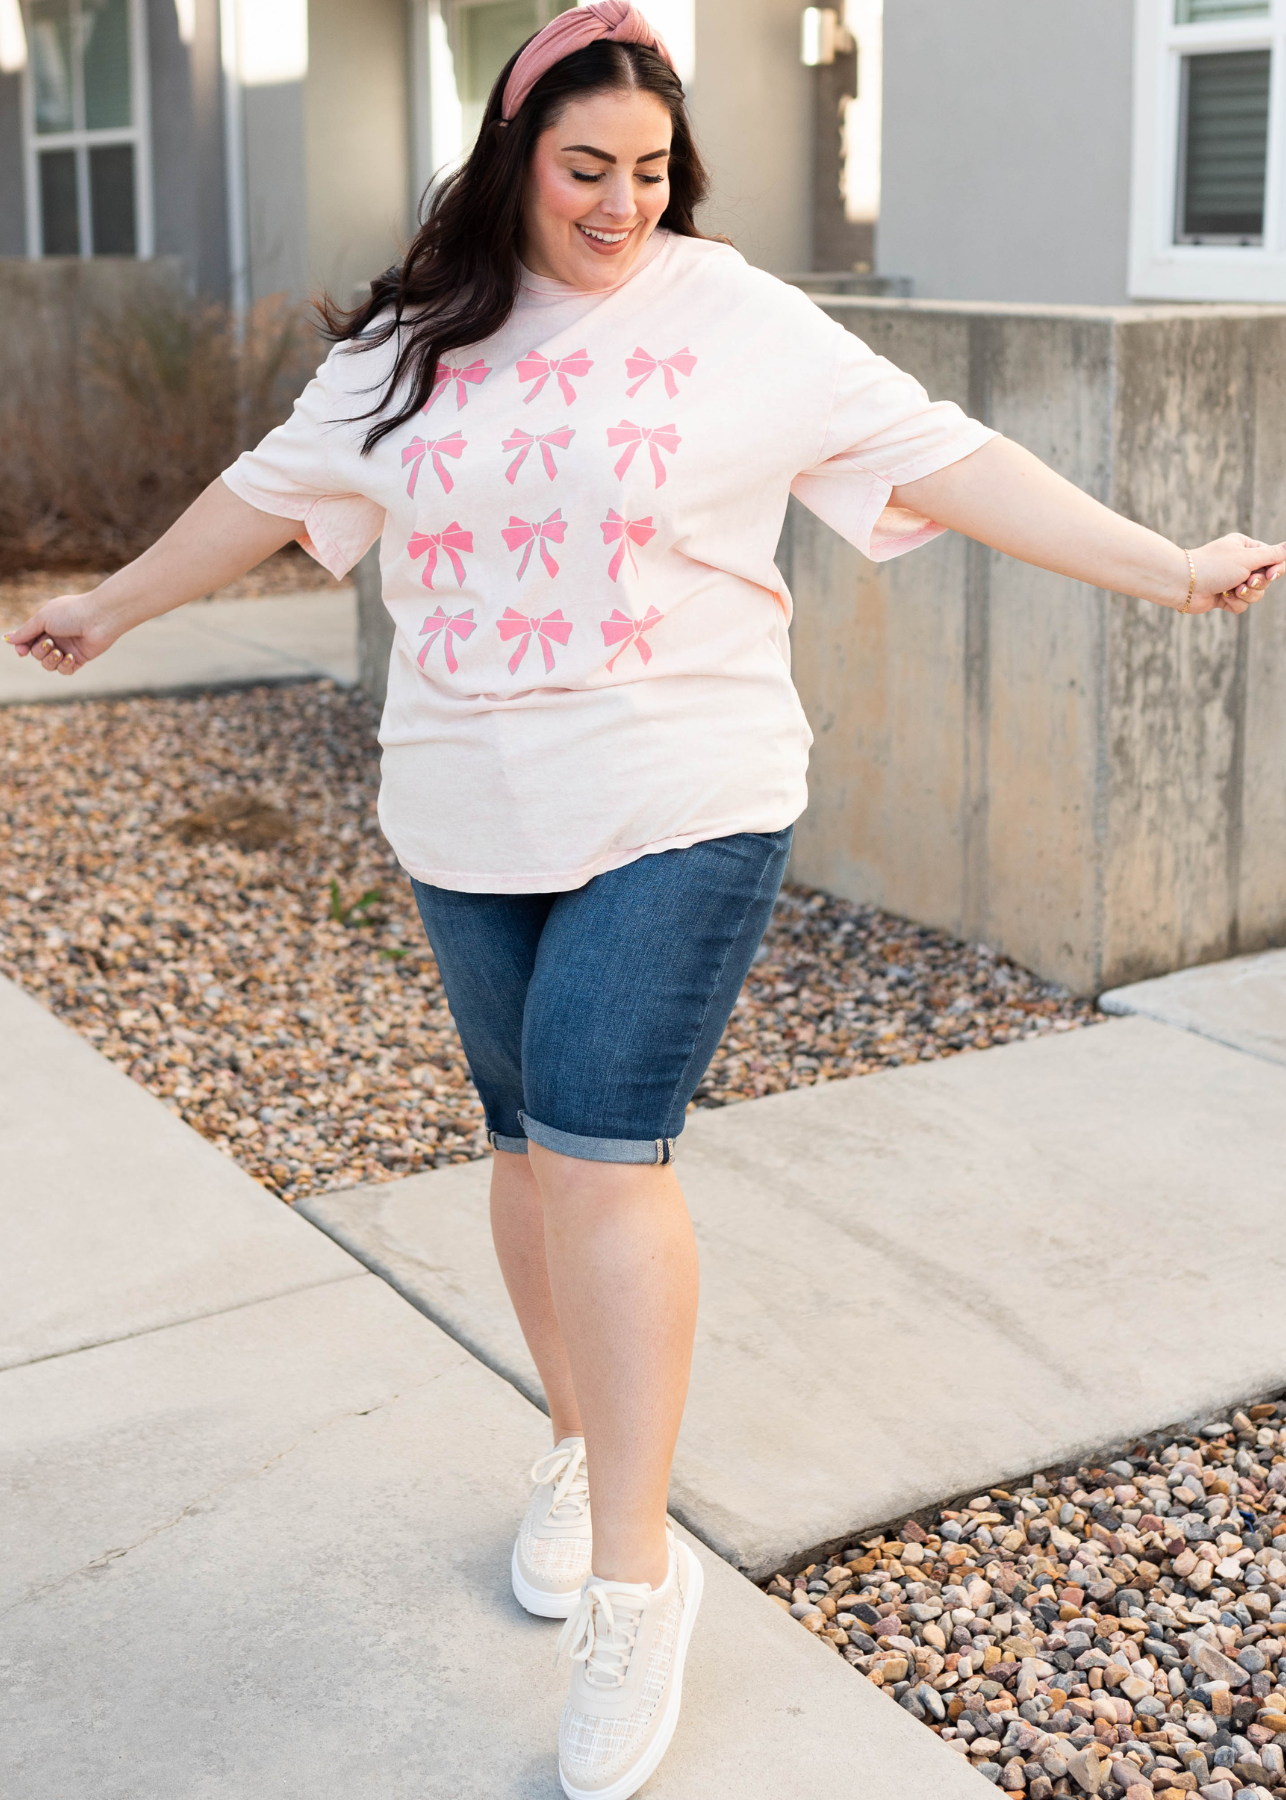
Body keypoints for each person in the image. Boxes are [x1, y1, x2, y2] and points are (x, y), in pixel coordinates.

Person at [8, 4, 1282, 1793]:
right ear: (514, 160)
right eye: (585, 168)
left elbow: (945, 455)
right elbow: (268, 492)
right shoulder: (415, 343)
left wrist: (1165, 567)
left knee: (604, 1154)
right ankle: (571, 1435)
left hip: (683, 795)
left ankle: (635, 1581)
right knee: (524, 1153)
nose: (621, 203)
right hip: (462, 807)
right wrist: (117, 604)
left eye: (651, 172)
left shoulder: (734, 316)